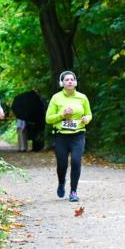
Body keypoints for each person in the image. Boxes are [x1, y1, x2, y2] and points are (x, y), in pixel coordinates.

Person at [45, 71, 92, 202]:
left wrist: (86, 119)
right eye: (67, 80)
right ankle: (61, 182)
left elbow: (89, 114)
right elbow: (48, 119)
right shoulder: (56, 98)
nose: (70, 81)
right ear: (62, 83)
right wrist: (62, 115)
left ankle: (73, 191)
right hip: (61, 136)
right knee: (62, 164)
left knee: (76, 162)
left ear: (75, 82)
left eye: (72, 79)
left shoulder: (82, 98)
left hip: (78, 135)